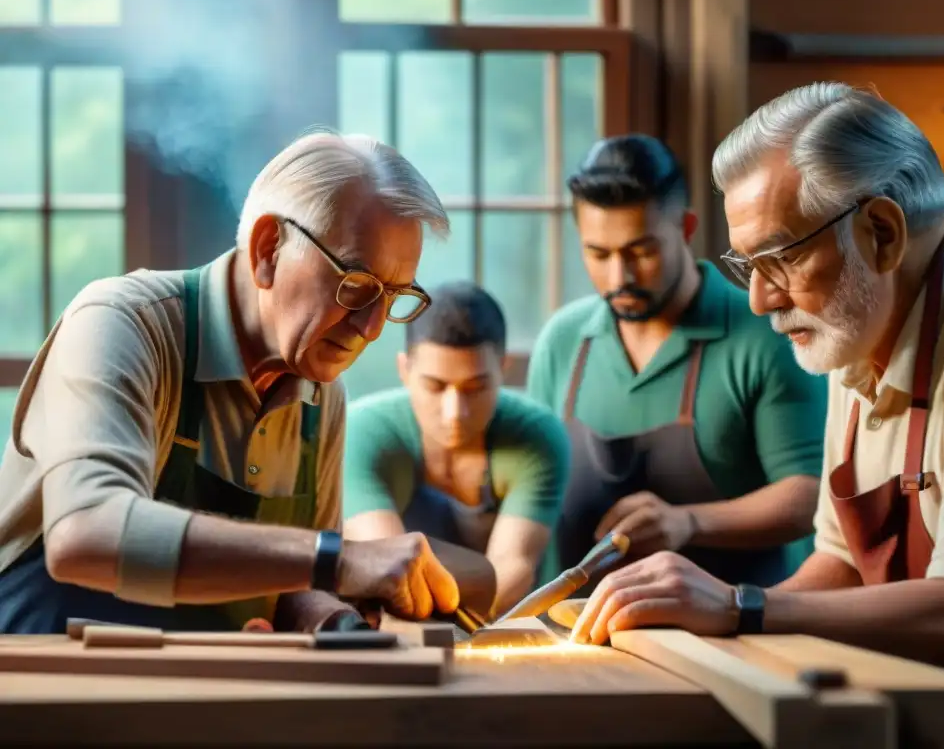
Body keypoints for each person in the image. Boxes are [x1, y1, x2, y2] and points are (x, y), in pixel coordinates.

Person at [569, 84, 944, 746]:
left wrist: (738, 606)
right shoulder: (858, 324)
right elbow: (838, 567)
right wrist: (703, 623)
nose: (758, 300)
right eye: (745, 264)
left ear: (882, 232)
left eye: (779, 258)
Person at [0, 131, 462, 634]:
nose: (372, 329)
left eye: (393, 297)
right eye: (355, 286)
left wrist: (332, 618)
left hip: (194, 692)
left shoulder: (320, 393)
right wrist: (339, 558)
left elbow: (296, 584)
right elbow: (86, 535)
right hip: (45, 683)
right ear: (268, 248)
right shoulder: (124, 323)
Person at [527, 134, 827, 591]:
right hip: (573, 634)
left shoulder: (764, 335)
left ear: (686, 229)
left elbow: (811, 496)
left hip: (730, 639)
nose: (618, 277)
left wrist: (688, 522)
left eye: (641, 251)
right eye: (598, 254)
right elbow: (530, 488)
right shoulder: (563, 341)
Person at [342, 281, 570, 618]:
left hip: (502, 625)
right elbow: (385, 572)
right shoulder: (361, 432)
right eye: (435, 386)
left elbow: (509, 574)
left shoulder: (536, 435)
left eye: (475, 388)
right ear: (405, 370)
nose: (455, 412)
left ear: (502, 368)